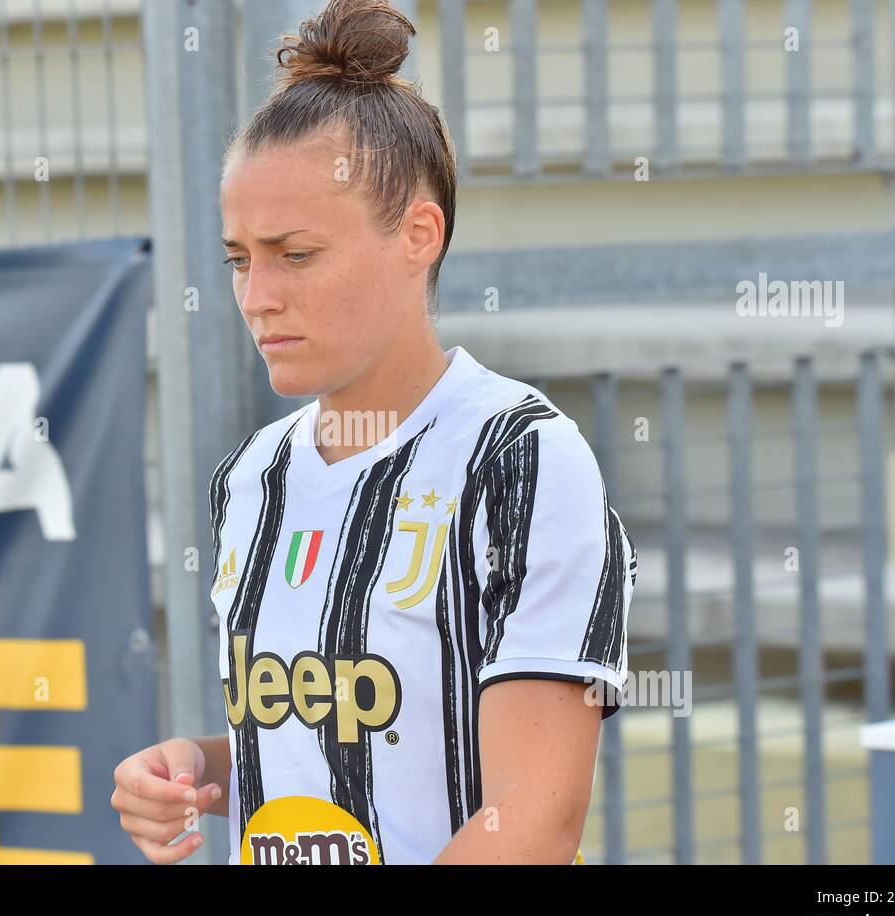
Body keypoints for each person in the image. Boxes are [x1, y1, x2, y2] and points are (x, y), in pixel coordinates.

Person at [111, 0, 636, 865]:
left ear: (418, 235)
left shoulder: (520, 460)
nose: (256, 297)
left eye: (297, 254)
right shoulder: (251, 476)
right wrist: (195, 769)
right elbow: (330, 755)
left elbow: (533, 817)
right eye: (240, 259)